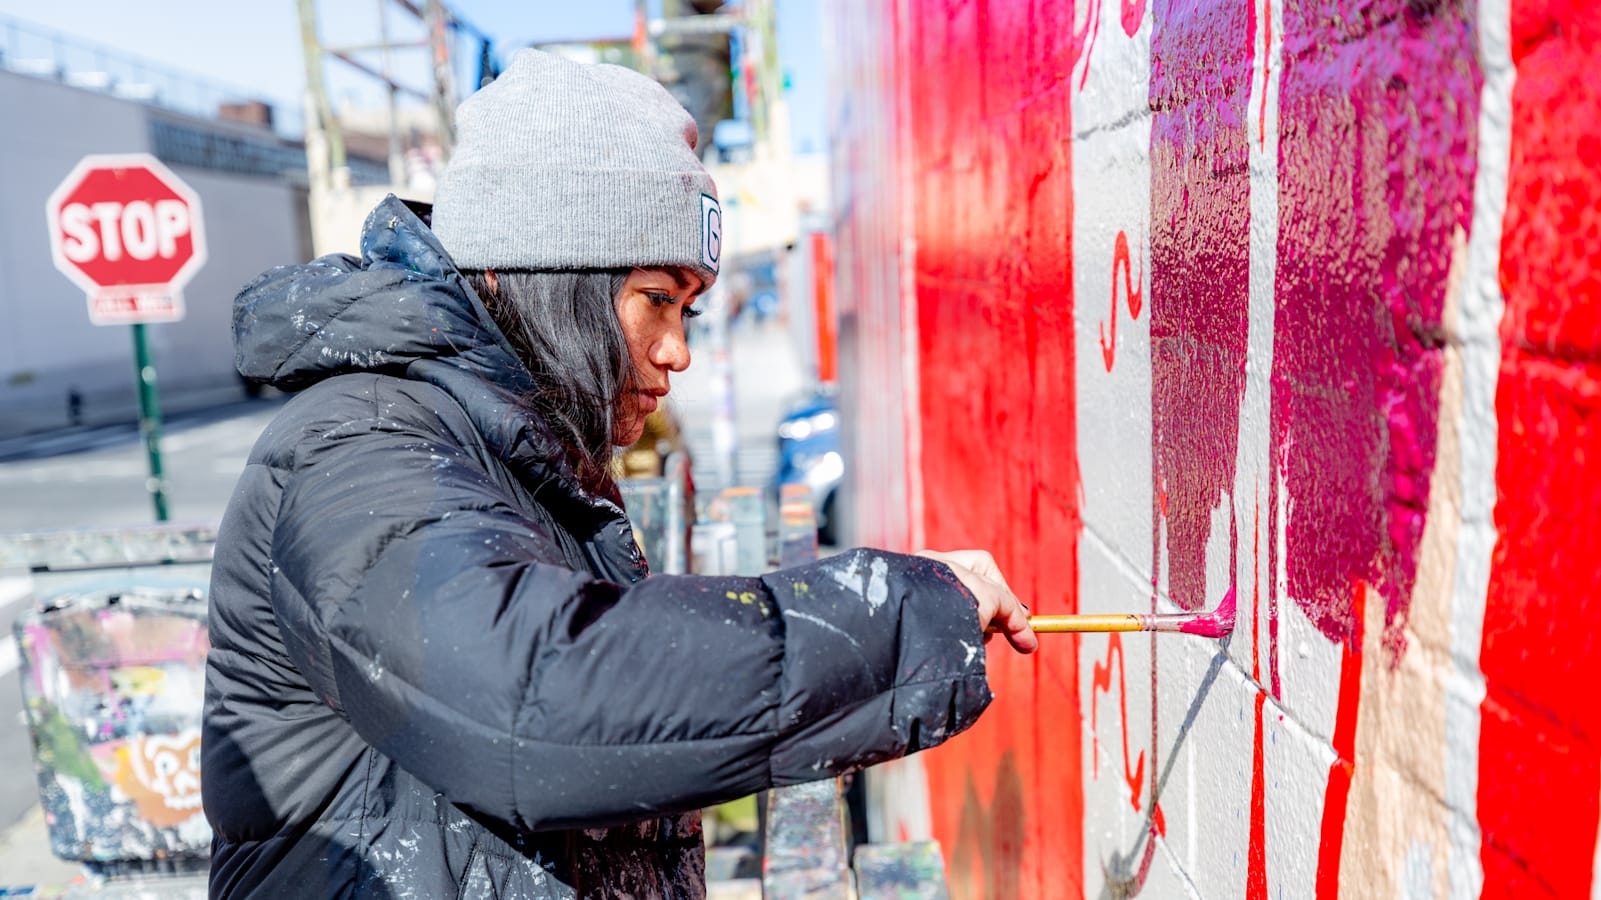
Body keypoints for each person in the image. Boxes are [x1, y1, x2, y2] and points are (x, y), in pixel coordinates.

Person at [201, 49, 1036, 899]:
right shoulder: (361, 441)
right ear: (543, 276)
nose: (677, 352)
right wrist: (892, 613)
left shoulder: (501, 446)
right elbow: (536, 696)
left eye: (690, 309)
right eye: (653, 299)